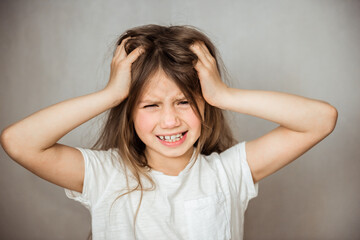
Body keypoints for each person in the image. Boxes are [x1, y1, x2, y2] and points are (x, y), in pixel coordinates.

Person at [0, 24, 338, 240]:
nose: (170, 121)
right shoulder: (106, 176)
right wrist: (111, 95)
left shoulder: (229, 173)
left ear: (205, 104)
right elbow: (18, 142)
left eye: (184, 102)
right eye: (150, 106)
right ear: (129, 113)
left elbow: (321, 119)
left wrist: (224, 95)